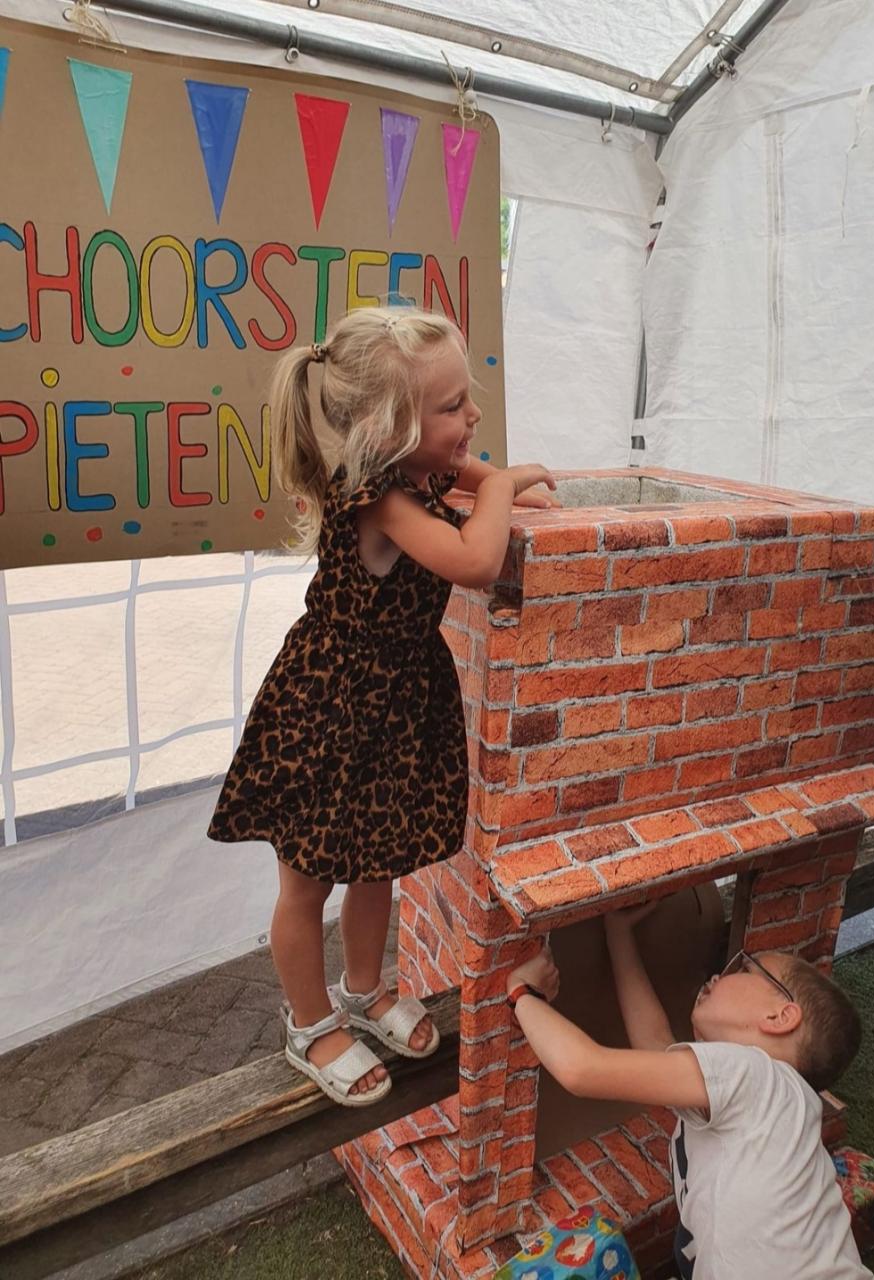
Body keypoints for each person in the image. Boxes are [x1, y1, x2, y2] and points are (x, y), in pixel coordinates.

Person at [208, 306, 555, 1108]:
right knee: (307, 884)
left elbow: (464, 478)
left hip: (391, 702)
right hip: (330, 711)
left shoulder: (413, 472)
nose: (473, 418)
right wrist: (503, 487)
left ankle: (364, 989)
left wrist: (495, 481)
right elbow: (475, 560)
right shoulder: (380, 501)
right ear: (390, 428)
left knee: (379, 860)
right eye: (453, 406)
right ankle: (308, 1024)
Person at [507, 903, 872, 1279]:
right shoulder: (768, 1099)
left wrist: (522, 993)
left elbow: (582, 1069)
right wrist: (619, 934)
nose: (720, 972)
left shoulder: (757, 1075)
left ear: (780, 1017)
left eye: (746, 968)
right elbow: (655, 1045)